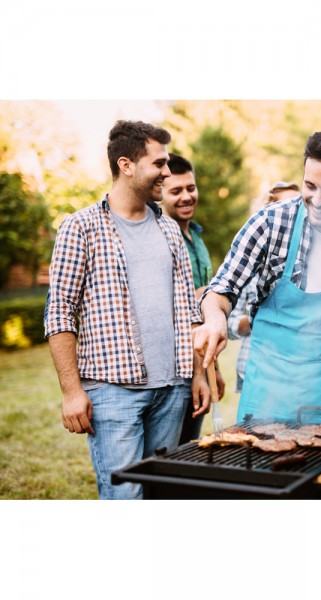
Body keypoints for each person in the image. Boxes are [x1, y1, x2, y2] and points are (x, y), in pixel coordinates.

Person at [44, 120, 210, 499]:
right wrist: (72, 392)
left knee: (161, 493)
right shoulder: (79, 228)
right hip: (112, 392)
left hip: (172, 390)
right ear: (126, 165)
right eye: (159, 164)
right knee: (126, 498)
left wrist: (198, 374)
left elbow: (190, 311)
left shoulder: (169, 229)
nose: (166, 172)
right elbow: (60, 313)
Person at [195, 129, 321, 426]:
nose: (317, 200)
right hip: (266, 392)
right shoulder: (269, 222)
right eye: (310, 186)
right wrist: (215, 319)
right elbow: (220, 291)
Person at [159, 152, 225, 443]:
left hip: (200, 365)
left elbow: (206, 314)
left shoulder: (197, 239)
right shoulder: (159, 237)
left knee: (189, 447)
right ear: (160, 192)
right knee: (167, 454)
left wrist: (213, 370)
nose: (186, 197)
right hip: (172, 369)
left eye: (190, 188)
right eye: (176, 191)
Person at [227, 180, 300, 392]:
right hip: (254, 372)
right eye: (284, 207)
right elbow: (230, 324)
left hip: (298, 375)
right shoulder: (248, 265)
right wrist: (262, 317)